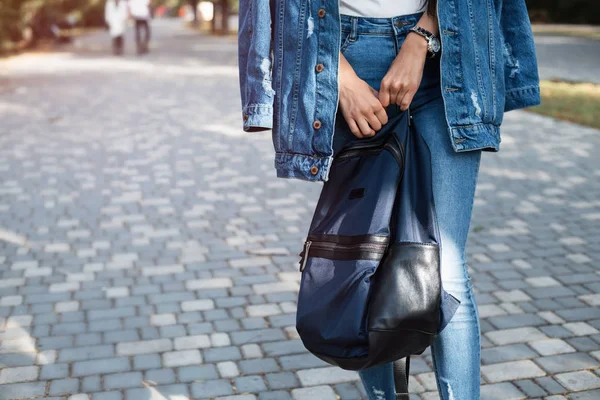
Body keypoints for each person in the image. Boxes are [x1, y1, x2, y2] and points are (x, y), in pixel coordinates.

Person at [238, 0, 540, 399]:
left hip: (445, 54)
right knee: (366, 259)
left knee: (445, 265)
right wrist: (338, 75)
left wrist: (423, 35)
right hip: (342, 52)